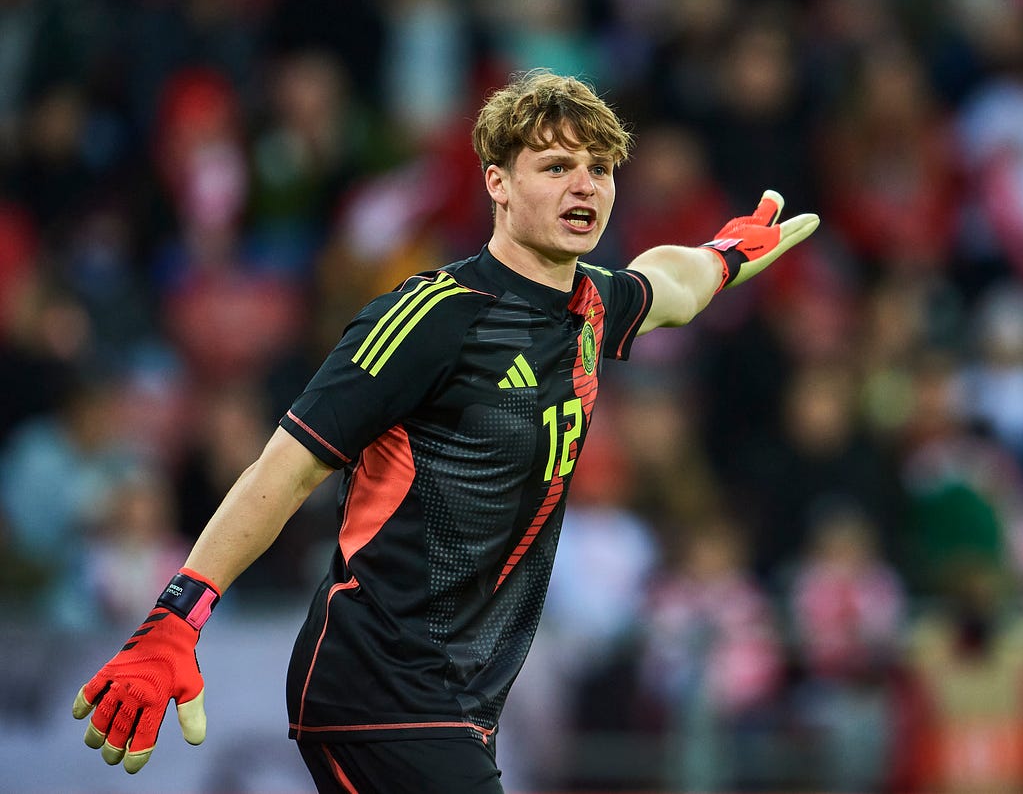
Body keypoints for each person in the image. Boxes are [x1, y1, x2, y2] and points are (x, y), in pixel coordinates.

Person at [69, 70, 819, 792]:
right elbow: (286, 466)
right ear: (497, 181)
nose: (584, 184)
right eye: (556, 165)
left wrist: (722, 257)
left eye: (599, 167)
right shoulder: (433, 315)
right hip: (377, 683)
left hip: (454, 697)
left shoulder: (591, 305)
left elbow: (671, 287)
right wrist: (178, 615)